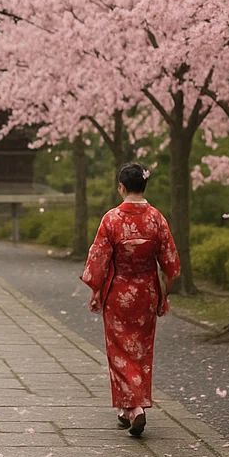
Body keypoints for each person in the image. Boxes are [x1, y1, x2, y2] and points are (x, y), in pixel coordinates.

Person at [81, 162, 181, 438]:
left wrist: (95, 292)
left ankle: (134, 407)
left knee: (119, 351)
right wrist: (164, 295)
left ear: (122, 187)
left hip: (118, 293)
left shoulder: (111, 219)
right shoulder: (156, 219)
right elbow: (170, 263)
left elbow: (98, 260)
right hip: (147, 292)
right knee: (141, 350)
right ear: (144, 186)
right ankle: (127, 409)